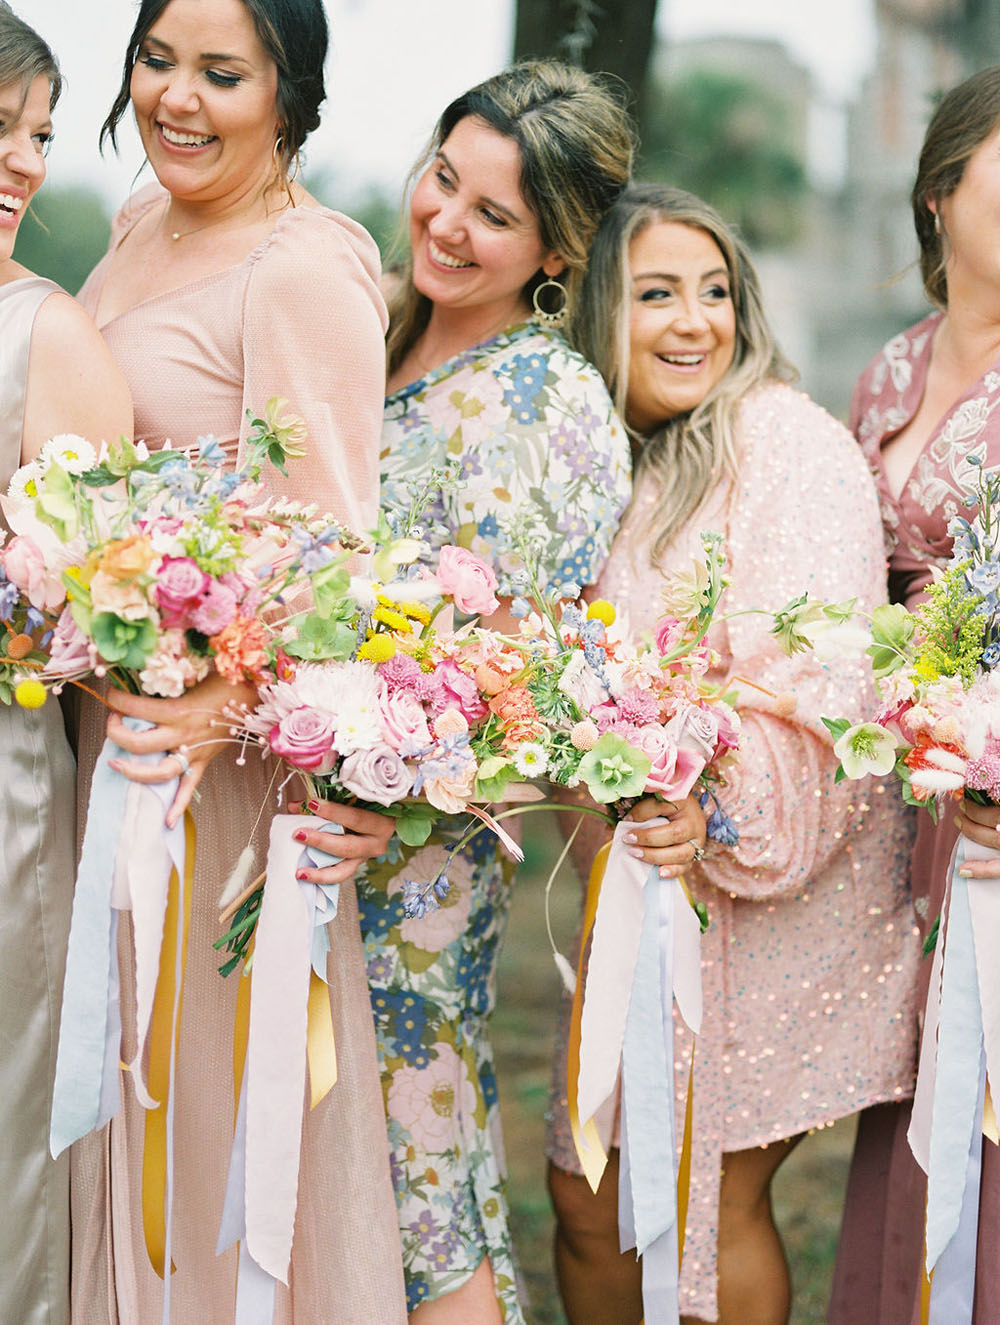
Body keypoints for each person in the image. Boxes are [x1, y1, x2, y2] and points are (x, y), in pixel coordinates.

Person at [68, 1, 407, 1319]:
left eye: (222, 73)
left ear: (290, 92)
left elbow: (331, 553)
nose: (177, 100)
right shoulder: (136, 224)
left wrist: (216, 710)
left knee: (206, 1127)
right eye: (157, 62)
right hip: (111, 733)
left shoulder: (303, 266)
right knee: (115, 1096)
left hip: (216, 775)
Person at [543, 184, 922, 1325]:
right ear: (597, 306)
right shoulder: (625, 462)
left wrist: (702, 800)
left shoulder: (781, 440)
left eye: (715, 292)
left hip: (783, 889)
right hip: (654, 895)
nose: (693, 320)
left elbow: (823, 682)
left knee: (696, 1192)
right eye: (656, 293)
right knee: (591, 1192)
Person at [304, 61, 635, 1322]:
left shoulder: (546, 402)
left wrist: (417, 800)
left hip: (421, 852)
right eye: (444, 178)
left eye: (493, 215)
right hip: (309, 812)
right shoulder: (376, 327)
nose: (446, 222)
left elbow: (537, 686)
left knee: (420, 1170)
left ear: (557, 244)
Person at [830, 65, 1000, 1323]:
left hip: (992, 793)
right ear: (940, 192)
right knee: (918, 1084)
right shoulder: (891, 369)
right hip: (906, 794)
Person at [0, 6, 132, 1321]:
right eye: (0, 126)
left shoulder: (51, 341)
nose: (26, 161)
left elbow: (104, 621)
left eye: (39, 133)